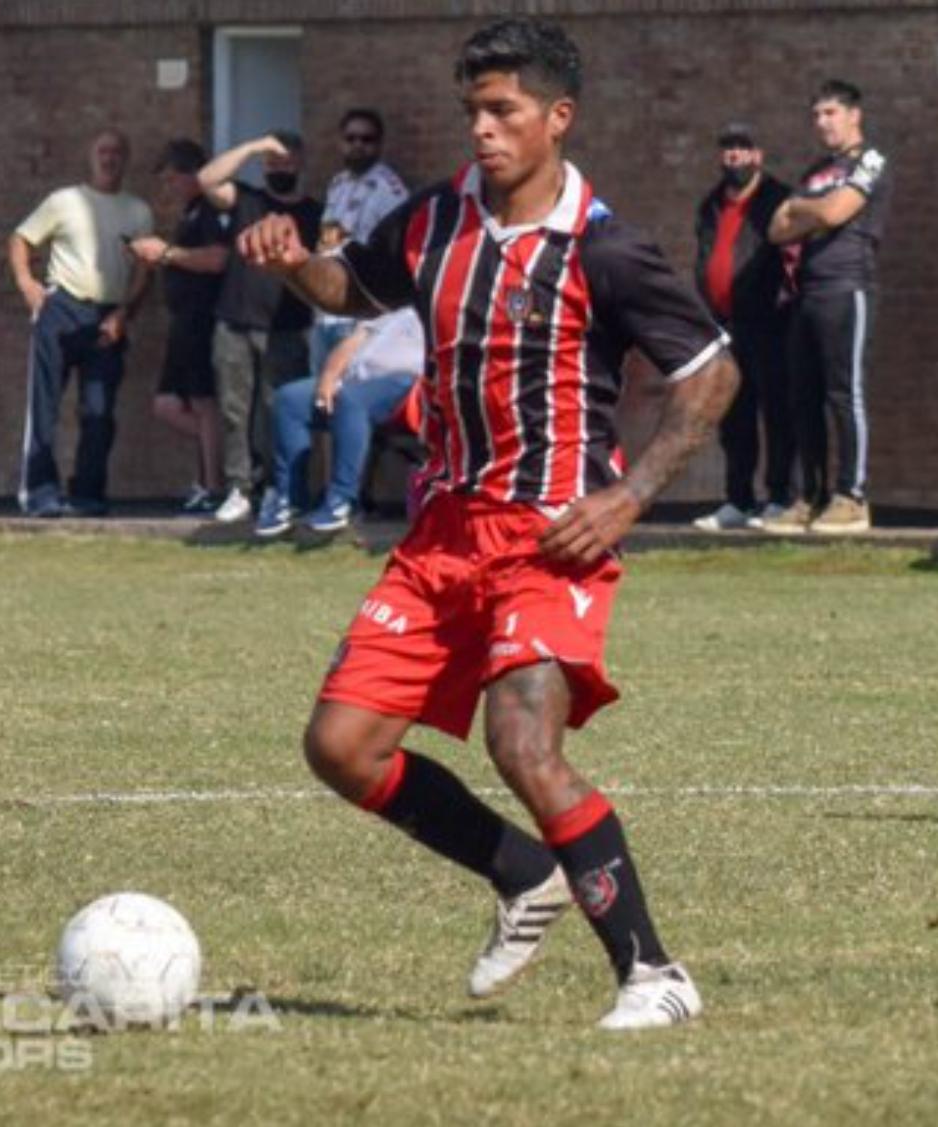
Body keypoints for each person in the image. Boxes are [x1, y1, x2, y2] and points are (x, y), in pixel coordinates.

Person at [237, 17, 737, 1029]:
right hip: (440, 533)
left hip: (548, 534)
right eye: (472, 108)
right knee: (339, 746)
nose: (481, 128)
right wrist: (295, 261)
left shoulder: (605, 246)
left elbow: (709, 373)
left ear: (557, 118)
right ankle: (521, 873)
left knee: (521, 741)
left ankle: (652, 972)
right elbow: (356, 285)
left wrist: (628, 494)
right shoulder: (433, 219)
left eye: (502, 110)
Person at [764, 79, 891, 534]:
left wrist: (804, 210)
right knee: (804, 398)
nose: (822, 123)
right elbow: (777, 229)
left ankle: (851, 497)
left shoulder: (870, 160)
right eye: (816, 115)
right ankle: (809, 498)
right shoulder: (816, 171)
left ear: (854, 115)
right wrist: (809, 207)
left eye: (830, 113)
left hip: (847, 287)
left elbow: (838, 211)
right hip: (805, 292)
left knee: (844, 393)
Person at [9, 128, 155, 517]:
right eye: (102, 151)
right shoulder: (65, 201)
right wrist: (27, 285)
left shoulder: (138, 211)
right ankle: (40, 493)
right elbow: (21, 239)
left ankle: (88, 493)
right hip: (62, 309)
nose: (109, 159)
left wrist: (125, 313)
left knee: (98, 411)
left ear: (125, 160)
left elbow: (145, 270)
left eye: (116, 152)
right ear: (91, 157)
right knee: (45, 406)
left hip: (108, 317)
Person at [199, 131, 324, 525]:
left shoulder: (313, 212)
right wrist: (253, 147)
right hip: (234, 320)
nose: (279, 169)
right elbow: (207, 181)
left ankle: (280, 489)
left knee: (279, 411)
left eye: (286, 161)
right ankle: (240, 488)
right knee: (235, 411)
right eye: (273, 163)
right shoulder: (248, 199)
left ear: (301, 163)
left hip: (285, 327)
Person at [690, 121, 795, 531]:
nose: (734, 155)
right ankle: (738, 499)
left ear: (758, 155)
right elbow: (705, 255)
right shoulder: (711, 204)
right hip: (724, 324)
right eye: (728, 147)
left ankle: (780, 496)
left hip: (768, 322)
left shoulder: (778, 199)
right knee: (734, 414)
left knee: (777, 410)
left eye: (743, 147)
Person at [260, 307, 424, 538]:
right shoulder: (388, 306)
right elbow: (352, 341)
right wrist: (328, 378)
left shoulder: (434, 305)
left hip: (407, 385)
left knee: (350, 400)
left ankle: (341, 499)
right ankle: (290, 499)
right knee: (289, 398)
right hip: (356, 381)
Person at [129, 139, 230, 513]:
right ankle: (230, 453)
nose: (168, 189)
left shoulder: (208, 211)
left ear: (192, 176)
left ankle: (213, 485)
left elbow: (218, 258)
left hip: (201, 318)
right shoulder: (189, 213)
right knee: (167, 404)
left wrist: (168, 253)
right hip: (181, 319)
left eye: (173, 180)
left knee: (205, 403)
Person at [312, 109, 411, 383]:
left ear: (379, 145)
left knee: (342, 397)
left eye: (367, 139)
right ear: (340, 142)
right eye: (351, 138)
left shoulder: (390, 190)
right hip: (324, 313)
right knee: (316, 402)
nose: (358, 145)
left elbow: (395, 258)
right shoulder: (337, 184)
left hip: (356, 315)